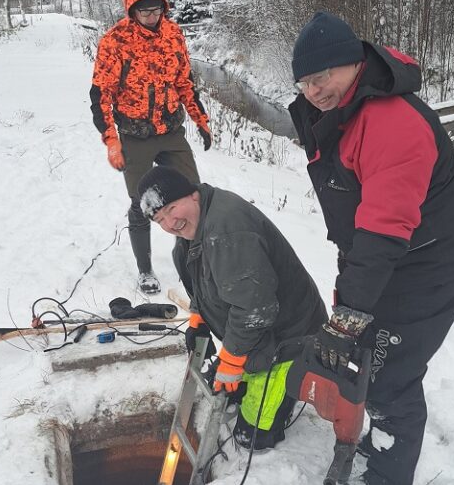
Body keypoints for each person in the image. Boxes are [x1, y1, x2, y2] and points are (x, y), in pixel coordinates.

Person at [289, 12, 454, 485]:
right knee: (368, 354)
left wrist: (349, 313)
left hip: (430, 263)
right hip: (382, 255)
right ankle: (372, 434)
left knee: (391, 370)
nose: (313, 90)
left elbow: (384, 226)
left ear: (354, 63)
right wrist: (350, 298)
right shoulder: (341, 114)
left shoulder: (392, 122)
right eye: (305, 82)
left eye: (323, 76)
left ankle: (386, 482)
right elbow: (360, 218)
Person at [136, 166, 327, 450]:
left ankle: (280, 405)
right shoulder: (197, 223)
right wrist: (199, 319)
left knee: (252, 437)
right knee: (228, 388)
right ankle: (247, 373)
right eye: (159, 219)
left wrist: (233, 359)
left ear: (192, 194)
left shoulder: (226, 230)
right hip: (257, 334)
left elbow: (256, 308)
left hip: (286, 340)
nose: (168, 224)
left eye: (171, 209)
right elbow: (204, 278)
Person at [90, 0, 212, 296]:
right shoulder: (115, 41)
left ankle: (197, 262)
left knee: (193, 194)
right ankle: (145, 270)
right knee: (142, 201)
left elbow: (185, 82)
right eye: (144, 10)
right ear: (132, 9)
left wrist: (200, 119)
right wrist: (112, 141)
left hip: (170, 129)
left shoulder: (173, 34)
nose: (151, 15)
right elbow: (100, 95)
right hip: (135, 133)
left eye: (156, 9)